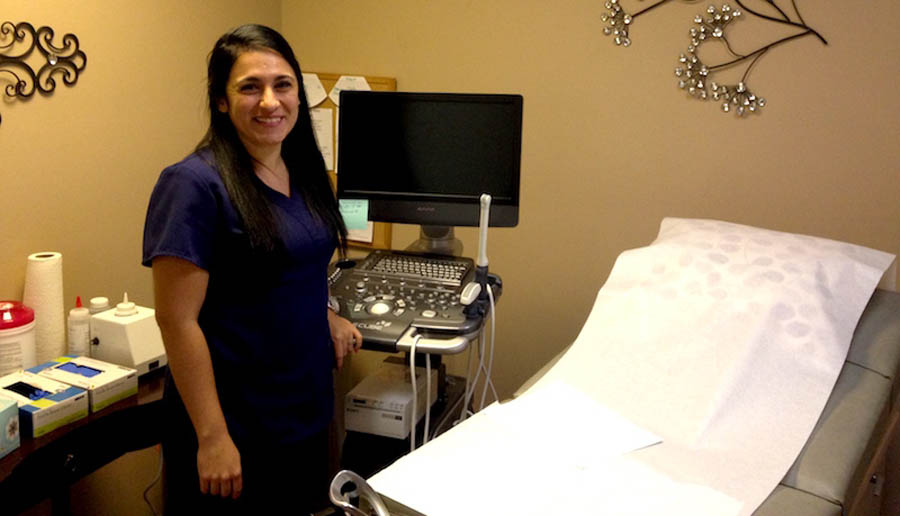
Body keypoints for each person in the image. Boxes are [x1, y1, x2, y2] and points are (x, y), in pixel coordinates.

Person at [142, 24, 363, 514]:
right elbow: (176, 321)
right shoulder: (193, 185)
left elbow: (290, 269)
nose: (270, 102)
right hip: (235, 427)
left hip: (303, 414)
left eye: (282, 85)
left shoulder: (302, 171)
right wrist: (213, 437)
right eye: (249, 87)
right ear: (221, 101)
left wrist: (327, 317)